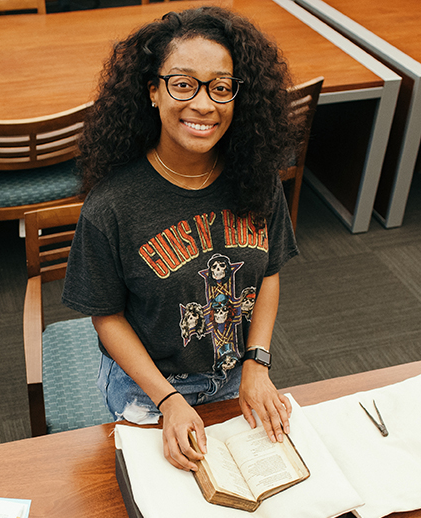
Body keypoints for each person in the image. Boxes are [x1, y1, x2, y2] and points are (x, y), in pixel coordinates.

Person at [61, 6, 299, 472]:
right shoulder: (112, 206)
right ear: (153, 91)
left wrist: (257, 362)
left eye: (221, 87)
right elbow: (106, 317)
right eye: (184, 84)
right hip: (150, 390)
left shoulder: (256, 180)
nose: (204, 104)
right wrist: (168, 401)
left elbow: (268, 274)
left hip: (236, 375)